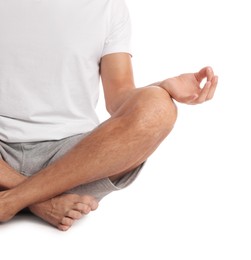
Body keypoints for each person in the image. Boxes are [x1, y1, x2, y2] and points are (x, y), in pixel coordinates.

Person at [0, 0, 218, 231]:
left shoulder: (109, 7)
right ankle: (40, 200)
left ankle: (12, 199)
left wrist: (163, 86)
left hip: (74, 161)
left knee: (159, 105)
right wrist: (42, 201)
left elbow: (118, 99)